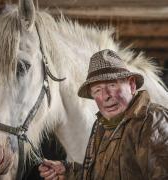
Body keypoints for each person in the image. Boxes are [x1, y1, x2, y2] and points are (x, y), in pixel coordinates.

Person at [38, 49, 168, 180]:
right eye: (97, 90)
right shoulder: (102, 124)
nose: (105, 96)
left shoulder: (153, 121)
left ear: (132, 85)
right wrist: (68, 172)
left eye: (112, 85)